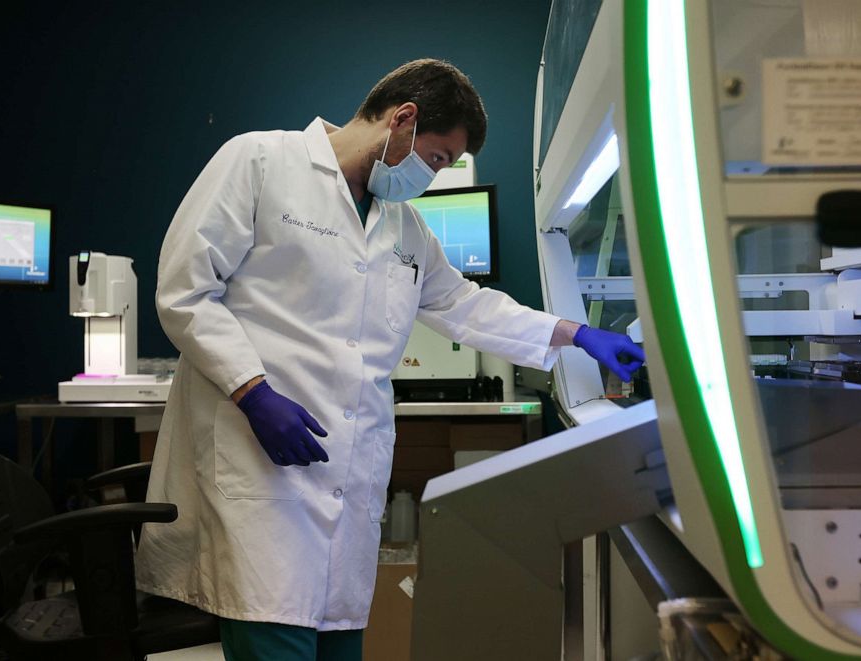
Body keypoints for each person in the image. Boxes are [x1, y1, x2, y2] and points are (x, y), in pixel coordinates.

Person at [135, 58, 645, 661]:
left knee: (340, 643)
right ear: (402, 119)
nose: (432, 178)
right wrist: (254, 392)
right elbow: (185, 291)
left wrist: (576, 333)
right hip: (260, 458)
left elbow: (462, 304)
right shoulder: (260, 161)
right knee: (273, 631)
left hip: (346, 472)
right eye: (435, 159)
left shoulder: (404, 227)